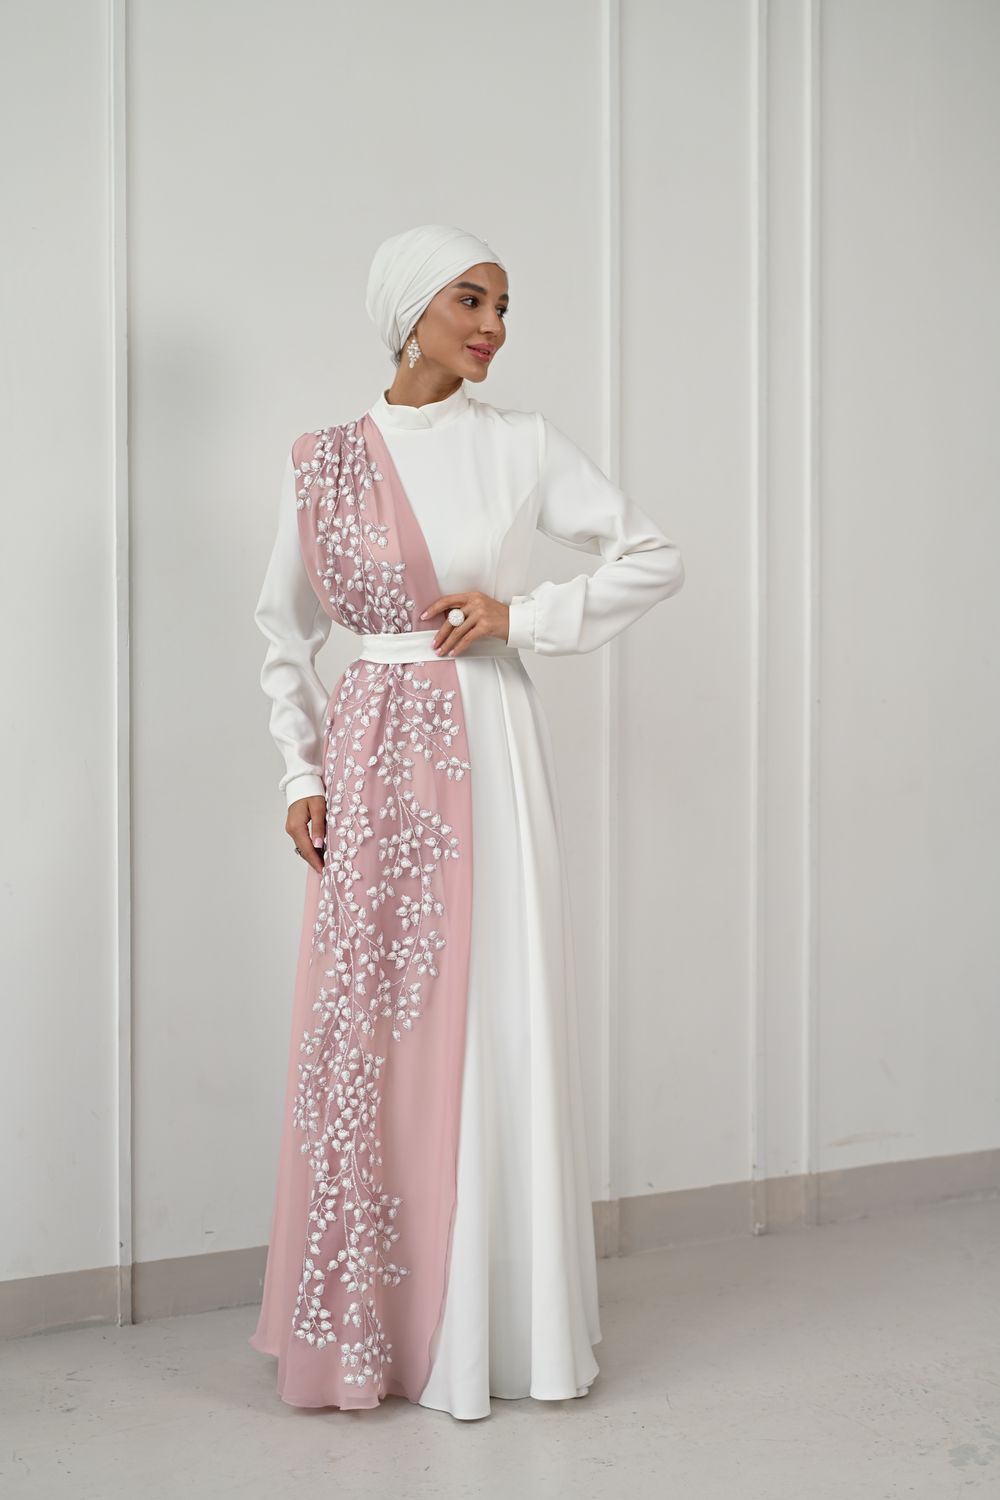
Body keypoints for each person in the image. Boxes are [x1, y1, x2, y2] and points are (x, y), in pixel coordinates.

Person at [249, 223, 685, 1421]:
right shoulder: (324, 460)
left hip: (485, 745)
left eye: (502, 307)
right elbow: (284, 628)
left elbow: (652, 555)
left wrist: (522, 617)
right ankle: (372, 1331)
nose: (493, 326)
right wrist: (297, 775)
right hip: (365, 759)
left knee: (493, 1007)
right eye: (469, 301)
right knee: (368, 1028)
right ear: (410, 310)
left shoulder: (519, 443)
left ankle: (493, 1333)